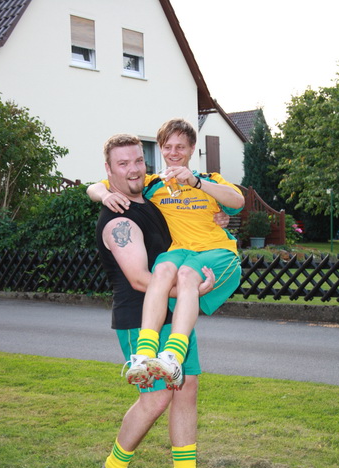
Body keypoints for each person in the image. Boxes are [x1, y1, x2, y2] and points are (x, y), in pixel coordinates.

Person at [90, 133, 229, 468]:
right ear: (109, 170)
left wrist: (218, 217)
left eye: (138, 160)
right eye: (123, 163)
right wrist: (192, 290)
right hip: (140, 319)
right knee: (156, 398)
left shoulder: (152, 198)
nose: (133, 169)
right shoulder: (118, 218)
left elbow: (190, 222)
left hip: (177, 314)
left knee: (185, 387)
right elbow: (140, 279)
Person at [89, 119, 245, 391]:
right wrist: (104, 196)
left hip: (212, 251)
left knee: (185, 275)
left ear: (192, 149)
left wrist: (197, 183)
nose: (174, 152)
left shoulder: (209, 179)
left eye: (180, 147)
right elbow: (96, 186)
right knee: (161, 271)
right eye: (168, 146)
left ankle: (172, 354)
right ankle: (144, 353)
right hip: (179, 253)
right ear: (160, 149)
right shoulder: (153, 183)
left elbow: (238, 201)